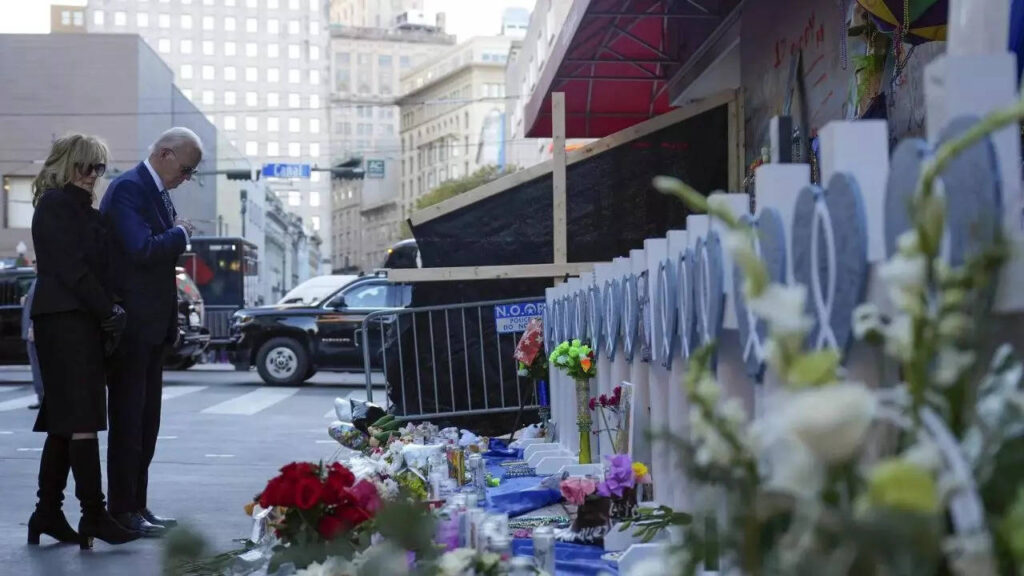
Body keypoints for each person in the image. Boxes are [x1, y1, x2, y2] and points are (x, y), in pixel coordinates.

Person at [27, 133, 138, 549]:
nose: (92, 175)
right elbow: (72, 270)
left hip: (80, 321)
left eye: (99, 168)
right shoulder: (56, 205)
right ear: (67, 164)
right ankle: (93, 514)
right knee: (83, 419)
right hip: (65, 321)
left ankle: (47, 513)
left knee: (66, 421)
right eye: (85, 166)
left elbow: (100, 263)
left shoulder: (81, 209)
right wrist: (108, 311)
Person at [100, 127, 198, 537]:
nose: (186, 178)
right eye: (186, 168)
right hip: (133, 327)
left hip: (153, 326)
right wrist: (180, 233)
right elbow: (141, 249)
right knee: (128, 421)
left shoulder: (155, 192)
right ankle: (122, 508)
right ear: (164, 154)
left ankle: (137, 504)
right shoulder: (128, 189)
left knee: (147, 422)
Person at [21, 277, 42, 410]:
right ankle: (41, 397)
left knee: (39, 367)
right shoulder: (36, 281)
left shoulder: (42, 281)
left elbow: (39, 306)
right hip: (29, 332)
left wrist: (33, 327)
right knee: (36, 368)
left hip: (34, 332)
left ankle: (43, 398)